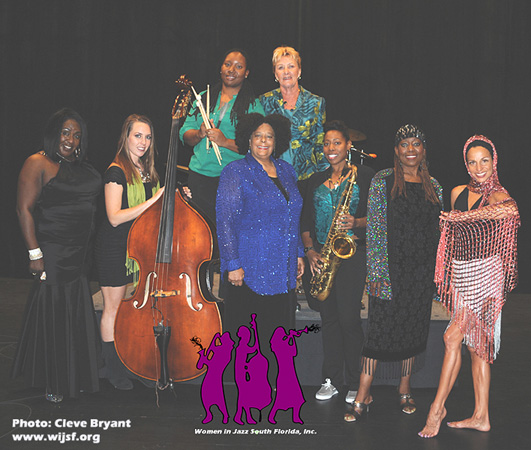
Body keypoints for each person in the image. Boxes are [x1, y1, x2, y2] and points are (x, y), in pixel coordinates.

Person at [419, 135, 519, 438]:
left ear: (494, 161)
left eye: (484, 161)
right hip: (463, 276)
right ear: (466, 164)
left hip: (487, 278)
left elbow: (511, 212)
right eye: (472, 162)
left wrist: (462, 218)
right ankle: (481, 416)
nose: (479, 168)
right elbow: (456, 239)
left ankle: (436, 409)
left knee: (452, 337)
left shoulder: (499, 196)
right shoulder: (457, 193)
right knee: (478, 348)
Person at [345, 124, 443, 422]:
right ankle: (363, 393)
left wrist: (438, 274)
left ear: (424, 150)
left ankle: (405, 389)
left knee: (413, 331)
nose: (410, 149)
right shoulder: (383, 180)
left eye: (416, 144)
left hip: (421, 274)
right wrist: (376, 273)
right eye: (404, 144)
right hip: (389, 272)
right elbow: (375, 228)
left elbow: (438, 234)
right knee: (378, 333)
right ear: (396, 150)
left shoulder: (434, 186)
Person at [12, 108, 102, 402]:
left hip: (79, 254)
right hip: (52, 252)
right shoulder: (37, 162)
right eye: (65, 132)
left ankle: (75, 376)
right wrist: (34, 253)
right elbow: (24, 209)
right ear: (54, 132)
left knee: (74, 314)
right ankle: (52, 380)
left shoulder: (80, 165)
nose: (70, 139)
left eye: (76, 135)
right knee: (55, 315)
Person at [216, 113, 304, 377]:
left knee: (278, 335)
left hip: (283, 268)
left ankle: (276, 385)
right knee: (249, 339)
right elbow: (225, 220)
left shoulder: (287, 170)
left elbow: (293, 216)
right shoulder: (235, 171)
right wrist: (232, 264)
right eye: (258, 136)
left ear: (277, 141)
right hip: (249, 269)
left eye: (269, 136)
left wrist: (299, 253)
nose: (263, 141)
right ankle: (248, 389)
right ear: (248, 139)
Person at [300, 120, 374, 404]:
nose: (331, 148)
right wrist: (310, 251)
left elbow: (380, 217)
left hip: (352, 255)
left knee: (349, 319)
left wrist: (356, 222)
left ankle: (356, 382)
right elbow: (305, 221)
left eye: (337, 142)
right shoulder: (315, 180)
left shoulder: (365, 175)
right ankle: (330, 379)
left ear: (348, 145)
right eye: (327, 143)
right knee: (329, 319)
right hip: (322, 255)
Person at [95, 114, 163, 390]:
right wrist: (154, 200)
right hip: (115, 248)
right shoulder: (116, 171)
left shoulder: (147, 171)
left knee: (133, 310)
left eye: (148, 137)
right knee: (113, 308)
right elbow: (114, 217)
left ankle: (133, 364)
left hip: (139, 248)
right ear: (126, 137)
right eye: (138, 135)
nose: (143, 142)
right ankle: (113, 369)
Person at [180, 48, 264, 223]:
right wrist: (199, 134)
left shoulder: (252, 106)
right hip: (199, 176)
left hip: (232, 179)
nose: (231, 70)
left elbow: (257, 147)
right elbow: (185, 134)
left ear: (246, 73)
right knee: (199, 230)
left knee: (227, 232)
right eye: (227, 64)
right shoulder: (203, 98)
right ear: (221, 68)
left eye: (239, 66)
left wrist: (224, 141)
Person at [259, 46, 328, 181]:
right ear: (275, 74)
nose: (286, 72)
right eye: (280, 67)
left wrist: (325, 176)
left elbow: (320, 143)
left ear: (299, 71)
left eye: (291, 66)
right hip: (271, 176)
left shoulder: (316, 102)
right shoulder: (264, 101)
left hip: (306, 176)